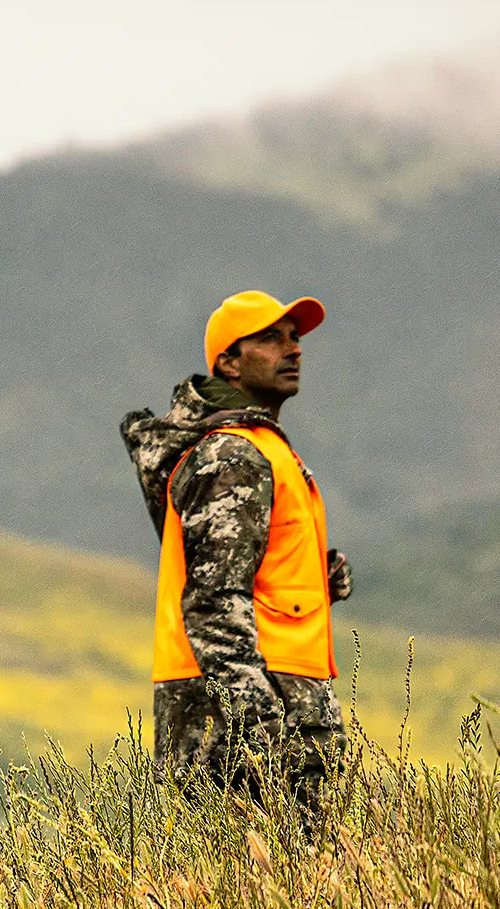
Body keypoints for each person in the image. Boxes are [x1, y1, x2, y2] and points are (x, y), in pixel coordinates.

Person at [120, 289, 353, 828]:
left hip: (271, 702)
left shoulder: (260, 448)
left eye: (295, 339)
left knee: (288, 898)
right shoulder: (233, 454)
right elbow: (212, 603)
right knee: (247, 894)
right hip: (242, 718)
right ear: (228, 361)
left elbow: (245, 575)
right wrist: (263, 728)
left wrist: (316, 580)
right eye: (271, 338)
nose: (292, 350)